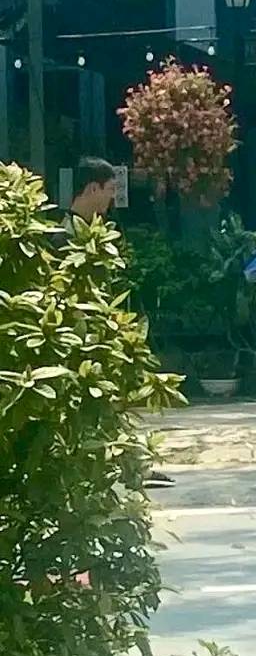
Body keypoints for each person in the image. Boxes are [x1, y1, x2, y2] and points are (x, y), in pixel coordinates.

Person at [52, 157, 175, 489]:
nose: (112, 198)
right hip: (78, 341)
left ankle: (130, 466)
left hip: (99, 338)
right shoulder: (63, 238)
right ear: (93, 188)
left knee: (112, 404)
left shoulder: (94, 234)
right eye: (109, 189)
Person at [52, 156, 117, 247]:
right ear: (93, 189)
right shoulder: (63, 237)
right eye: (111, 189)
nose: (113, 195)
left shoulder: (103, 231)